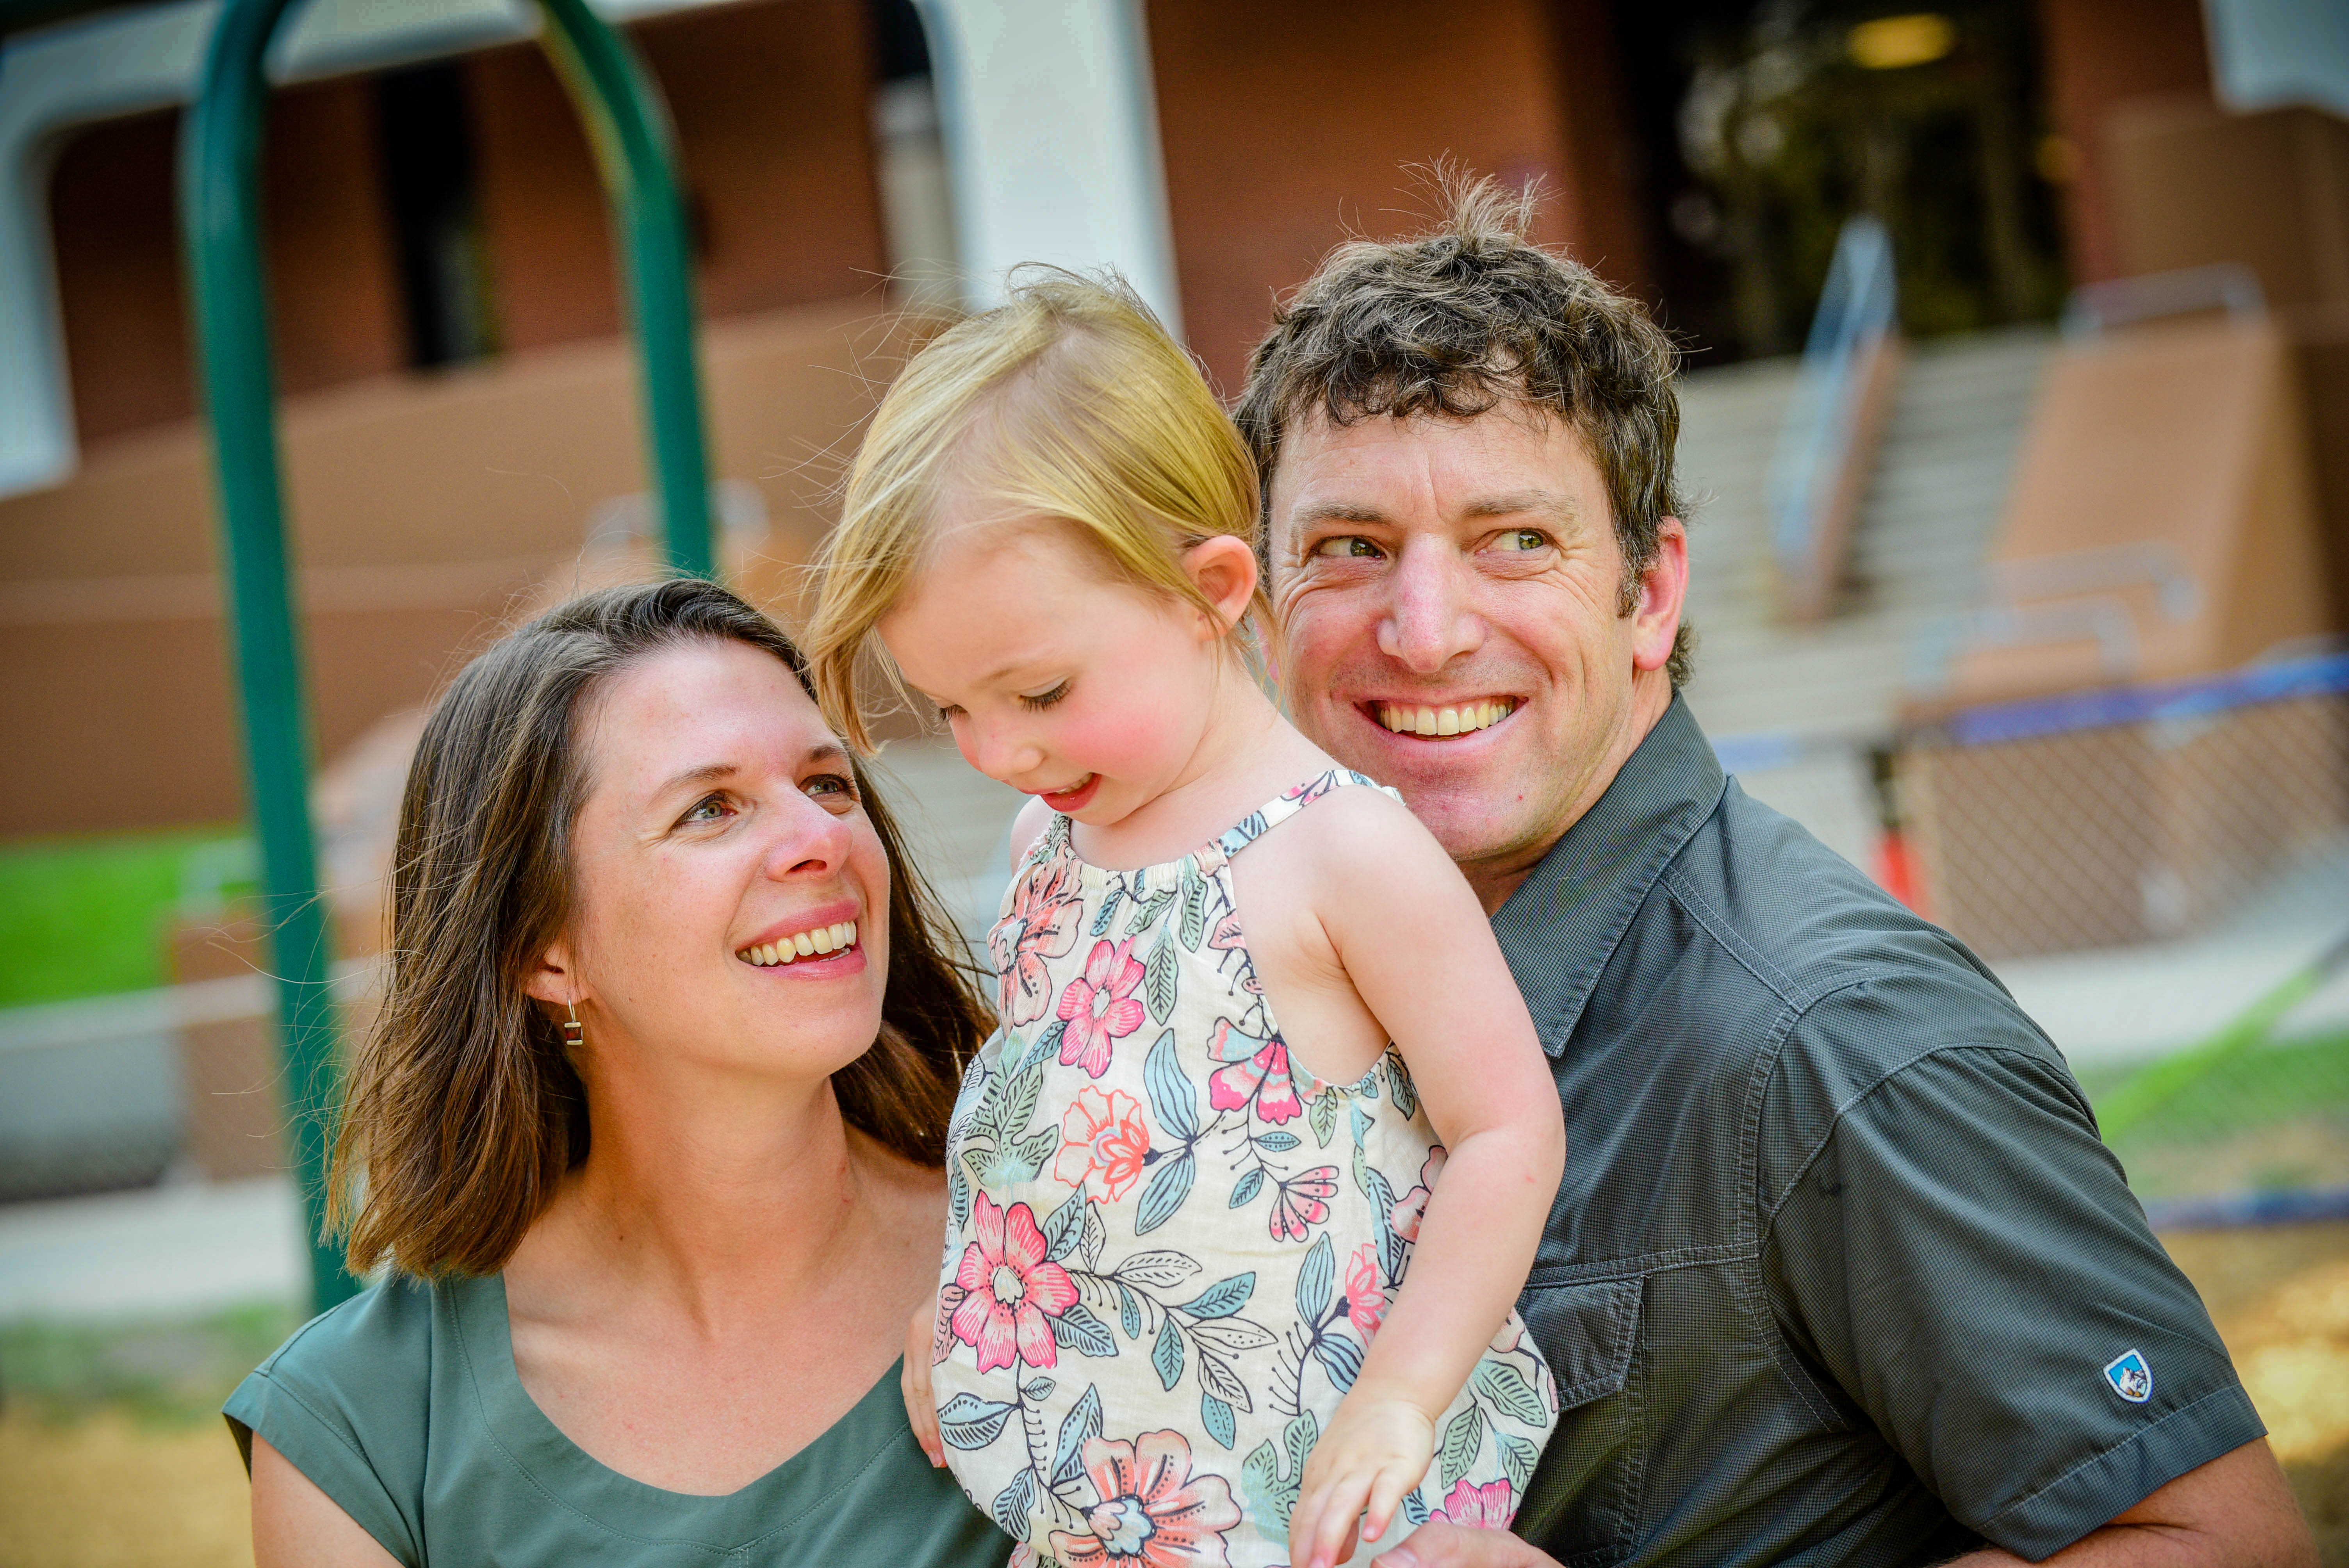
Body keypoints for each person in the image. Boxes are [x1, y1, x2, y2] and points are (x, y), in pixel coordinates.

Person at [1229, 179, 2317, 1568]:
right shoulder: (1249, 980)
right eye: (1347, 549)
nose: (1425, 629)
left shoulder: (1838, 1040)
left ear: (1652, 592)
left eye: (1515, 540)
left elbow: (2219, 1543)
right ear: (1260, 608)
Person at [804, 270, 1566, 1568]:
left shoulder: (1341, 850)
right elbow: (1051, 1129)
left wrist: (1399, 1397)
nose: (996, 748)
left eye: (1037, 689)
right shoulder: (1050, 841)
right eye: (951, 710)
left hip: (1323, 1497)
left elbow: (1505, 1128)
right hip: (1117, 1507)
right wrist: (969, 1296)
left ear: (1209, 587)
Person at [223, 579, 1014, 1567]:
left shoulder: (1066, 1261)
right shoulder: (361, 1430)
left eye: (826, 783)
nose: (822, 840)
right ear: (546, 949)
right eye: (710, 808)